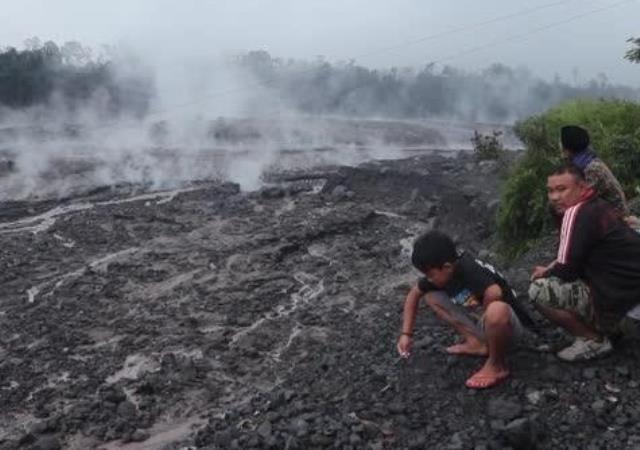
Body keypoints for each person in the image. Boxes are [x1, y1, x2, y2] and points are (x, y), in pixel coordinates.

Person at [529, 164, 640, 361]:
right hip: (631, 296)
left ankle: (595, 340)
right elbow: (577, 254)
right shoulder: (599, 206)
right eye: (551, 190)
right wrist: (551, 267)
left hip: (619, 306)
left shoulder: (575, 212)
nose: (554, 197)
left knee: (538, 290)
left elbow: (566, 270)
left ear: (581, 187)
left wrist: (545, 274)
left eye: (562, 189)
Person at [397, 230, 533, 389]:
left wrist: (485, 314)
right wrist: (406, 334)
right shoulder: (444, 271)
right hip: (487, 324)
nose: (429, 279)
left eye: (430, 274)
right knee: (431, 296)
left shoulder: (468, 267)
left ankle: (497, 364)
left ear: (446, 267)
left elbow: (494, 292)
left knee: (496, 310)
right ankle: (476, 342)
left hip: (510, 328)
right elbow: (413, 295)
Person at [560, 125, 629, 218]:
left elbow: (582, 199)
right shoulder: (585, 162)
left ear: (568, 147)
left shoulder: (591, 168)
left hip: (615, 216)